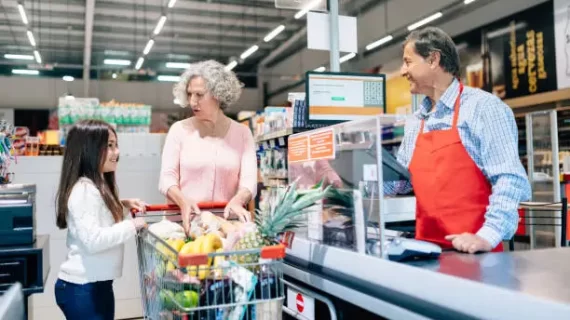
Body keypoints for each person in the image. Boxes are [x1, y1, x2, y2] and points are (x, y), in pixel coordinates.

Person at [392, 27, 531, 254]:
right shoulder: (416, 121)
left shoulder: (483, 108)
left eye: (408, 62)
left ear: (434, 59)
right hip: (424, 253)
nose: (402, 70)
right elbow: (401, 182)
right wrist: (349, 176)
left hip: (475, 255)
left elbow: (510, 179)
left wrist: (487, 236)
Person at [53, 120, 147, 319]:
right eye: (109, 146)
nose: (116, 153)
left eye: (116, 145)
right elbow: (94, 240)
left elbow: (99, 217)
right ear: (89, 150)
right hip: (82, 288)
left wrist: (123, 205)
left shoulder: (94, 186)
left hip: (95, 286)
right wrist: (131, 225)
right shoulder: (83, 191)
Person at [159, 60, 257, 233]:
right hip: (184, 227)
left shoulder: (242, 134)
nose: (192, 101)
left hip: (225, 228)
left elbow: (249, 181)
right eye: (189, 94)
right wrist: (182, 201)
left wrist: (238, 200)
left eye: (199, 94)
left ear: (218, 94)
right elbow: (166, 178)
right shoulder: (179, 130)